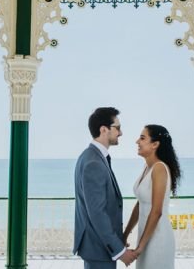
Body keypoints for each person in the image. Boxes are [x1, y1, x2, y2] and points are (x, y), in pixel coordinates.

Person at [73, 107, 137, 268]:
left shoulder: (91, 156)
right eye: (118, 128)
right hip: (99, 250)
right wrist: (120, 251)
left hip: (98, 249)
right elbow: (97, 213)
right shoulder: (93, 162)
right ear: (103, 129)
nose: (121, 133)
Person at [122, 124, 181, 269]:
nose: (137, 142)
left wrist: (141, 246)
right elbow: (140, 204)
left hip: (158, 239)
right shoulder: (147, 168)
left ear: (155, 144)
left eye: (142, 138)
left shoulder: (159, 168)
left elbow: (157, 211)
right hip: (145, 236)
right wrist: (125, 234)